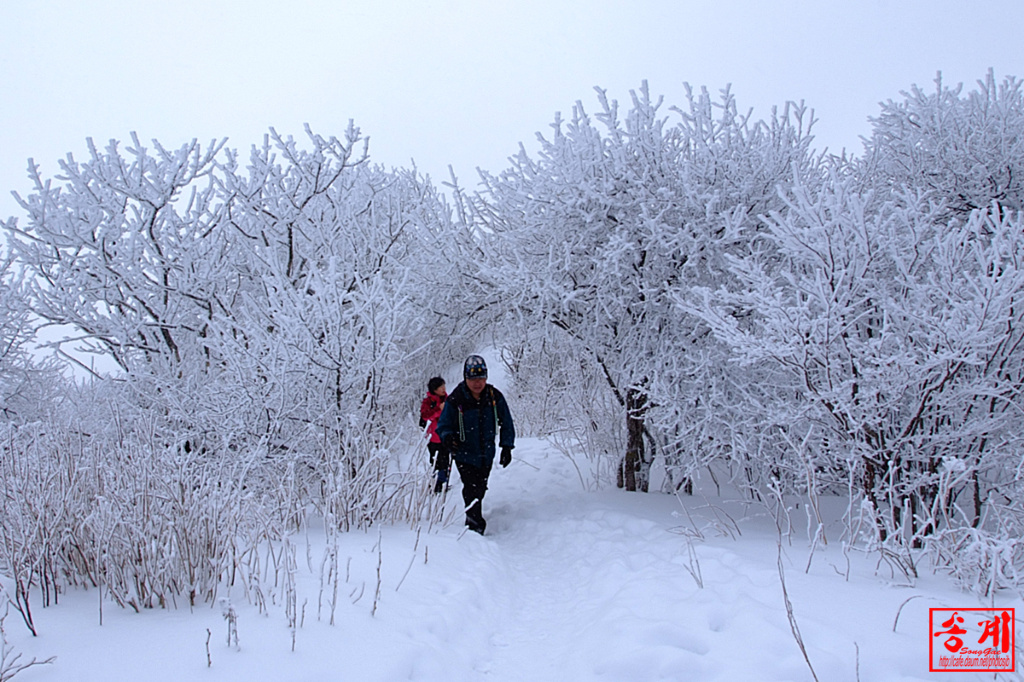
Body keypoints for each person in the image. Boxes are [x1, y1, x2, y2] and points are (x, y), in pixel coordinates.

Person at [436, 355, 515, 535]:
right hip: (464, 453)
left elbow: (506, 421)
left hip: (486, 453)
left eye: (481, 378)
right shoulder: (457, 398)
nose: (477, 383)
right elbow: (444, 425)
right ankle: (474, 525)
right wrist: (448, 438)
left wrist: (507, 447)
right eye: (473, 379)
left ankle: (474, 517)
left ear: (486, 378)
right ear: (466, 378)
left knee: (480, 487)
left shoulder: (494, 397)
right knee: (471, 488)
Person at [420, 376, 450, 493]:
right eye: (440, 387)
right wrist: (439, 409)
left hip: (446, 435)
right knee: (436, 460)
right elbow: (426, 416)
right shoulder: (428, 402)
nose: (443, 388)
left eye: (444, 385)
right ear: (434, 389)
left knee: (445, 459)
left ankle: (442, 481)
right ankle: (436, 482)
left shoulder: (448, 399)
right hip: (433, 437)